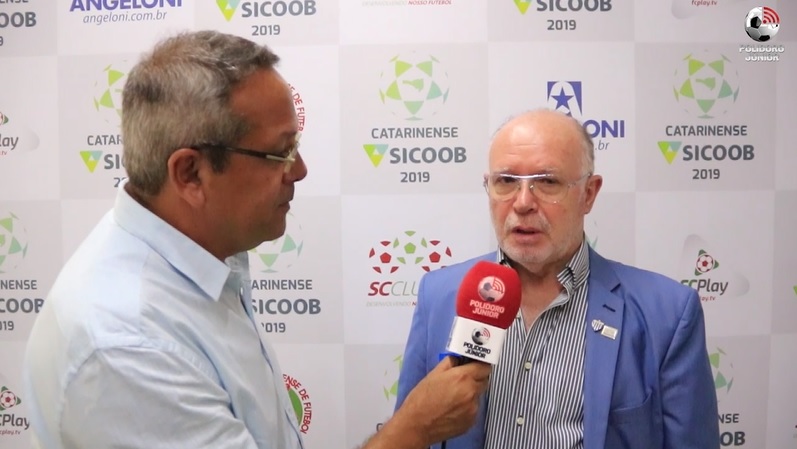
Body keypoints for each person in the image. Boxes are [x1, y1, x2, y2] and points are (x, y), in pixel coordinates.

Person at [23, 30, 490, 449]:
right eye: (280, 153)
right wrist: (411, 431)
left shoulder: (202, 260)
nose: (300, 170)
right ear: (190, 173)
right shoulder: (129, 345)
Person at [395, 109, 720, 449]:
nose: (523, 203)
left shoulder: (667, 314)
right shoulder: (439, 295)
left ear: (589, 194)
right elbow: (407, 434)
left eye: (547, 182)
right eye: (506, 181)